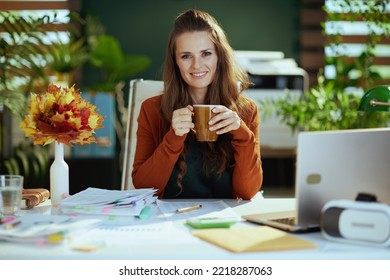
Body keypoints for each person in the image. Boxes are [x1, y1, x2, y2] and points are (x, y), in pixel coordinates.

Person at [132, 9, 263, 199]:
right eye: (186, 56)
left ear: (220, 57)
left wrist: (242, 134)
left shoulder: (246, 110)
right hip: (167, 221)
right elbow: (143, 188)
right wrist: (173, 137)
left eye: (206, 54)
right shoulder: (152, 109)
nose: (197, 65)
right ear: (175, 61)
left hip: (223, 223)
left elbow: (247, 192)